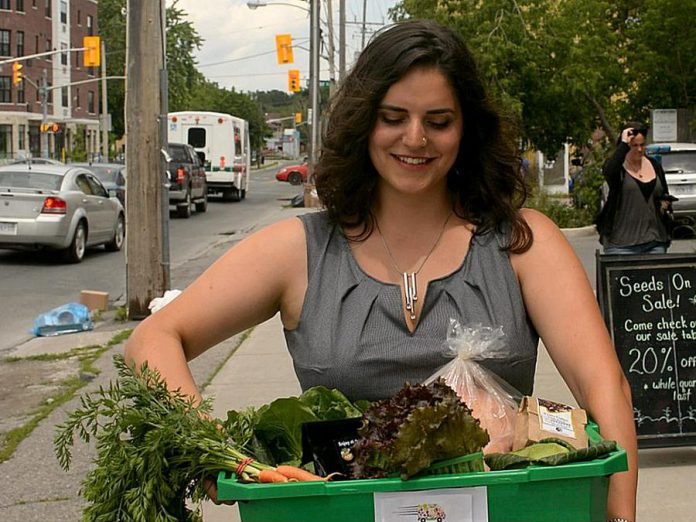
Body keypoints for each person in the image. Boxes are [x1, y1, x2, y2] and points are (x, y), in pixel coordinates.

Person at [124, 19, 637, 521]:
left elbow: (604, 386)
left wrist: (619, 515)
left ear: (466, 129)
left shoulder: (524, 243)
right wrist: (215, 451)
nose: (415, 138)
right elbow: (154, 340)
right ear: (364, 121)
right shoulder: (299, 250)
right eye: (393, 117)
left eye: (439, 121)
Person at [596, 122, 675, 254]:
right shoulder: (618, 168)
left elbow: (663, 193)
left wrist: (665, 204)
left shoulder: (655, 165)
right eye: (634, 146)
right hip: (621, 245)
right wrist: (623, 144)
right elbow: (609, 172)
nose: (639, 149)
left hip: (655, 241)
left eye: (642, 145)